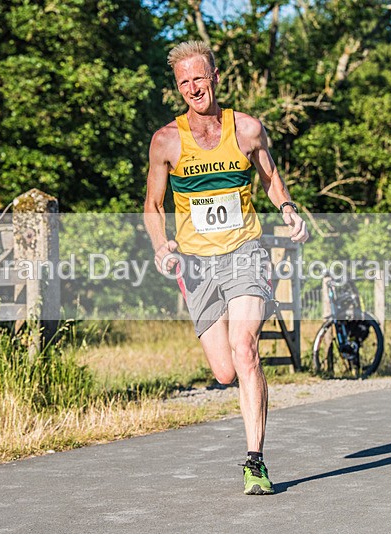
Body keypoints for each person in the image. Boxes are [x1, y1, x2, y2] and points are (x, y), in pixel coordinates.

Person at [143, 41, 309, 495]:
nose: (193, 88)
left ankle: (255, 461)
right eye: (184, 82)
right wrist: (161, 246)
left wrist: (288, 209)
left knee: (244, 347)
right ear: (178, 88)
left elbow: (271, 178)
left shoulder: (248, 129)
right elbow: (153, 205)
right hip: (195, 264)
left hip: (245, 252)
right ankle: (247, 421)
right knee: (223, 371)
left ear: (216, 77)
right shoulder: (167, 141)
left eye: (199, 78)